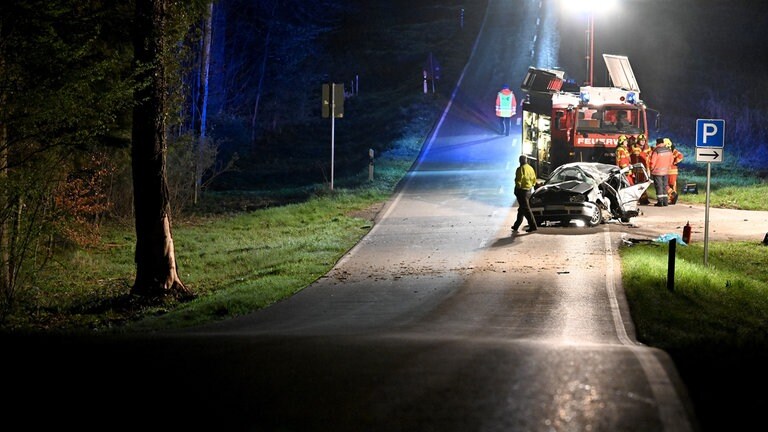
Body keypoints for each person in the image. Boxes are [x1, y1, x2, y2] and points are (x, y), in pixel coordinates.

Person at [511, 154, 538, 232]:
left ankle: (533, 226)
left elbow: (518, 181)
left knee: (526, 209)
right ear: (526, 160)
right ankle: (516, 225)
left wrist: (517, 188)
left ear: (520, 161)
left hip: (522, 191)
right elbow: (534, 180)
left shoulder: (520, 169)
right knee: (522, 208)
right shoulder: (530, 168)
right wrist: (531, 185)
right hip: (529, 190)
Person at [649, 137, 674, 206]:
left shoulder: (656, 151)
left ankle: (660, 202)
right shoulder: (669, 150)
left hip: (657, 172)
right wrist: (668, 167)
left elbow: (652, 162)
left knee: (659, 186)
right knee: (665, 186)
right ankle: (665, 202)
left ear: (657, 143)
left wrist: (651, 168)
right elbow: (671, 160)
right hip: (666, 171)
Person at [631, 134, 651, 204]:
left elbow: (649, 158)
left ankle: (644, 199)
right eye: (641, 140)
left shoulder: (648, 148)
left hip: (645, 169)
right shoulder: (634, 147)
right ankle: (641, 199)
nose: (642, 142)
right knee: (638, 184)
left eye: (643, 140)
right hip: (637, 169)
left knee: (644, 184)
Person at [667, 139, 684, 204]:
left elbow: (680, 156)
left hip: (672, 171)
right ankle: (670, 198)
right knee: (668, 186)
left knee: (672, 185)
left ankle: (673, 199)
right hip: (667, 171)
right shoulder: (666, 151)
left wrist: (675, 161)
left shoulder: (674, 151)